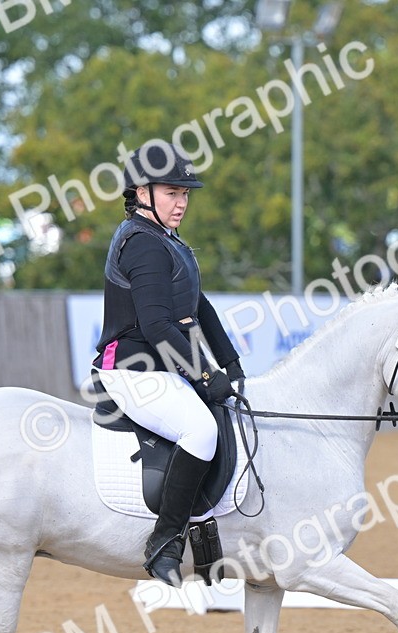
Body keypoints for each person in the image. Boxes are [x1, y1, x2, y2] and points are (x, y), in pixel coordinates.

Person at [91, 141, 244, 586]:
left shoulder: (167, 240)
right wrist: (204, 374)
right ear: (142, 192)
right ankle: (164, 542)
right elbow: (158, 325)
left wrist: (231, 367)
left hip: (161, 367)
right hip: (133, 370)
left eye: (185, 194)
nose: (181, 203)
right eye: (172, 193)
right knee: (200, 430)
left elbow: (200, 307)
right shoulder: (143, 245)